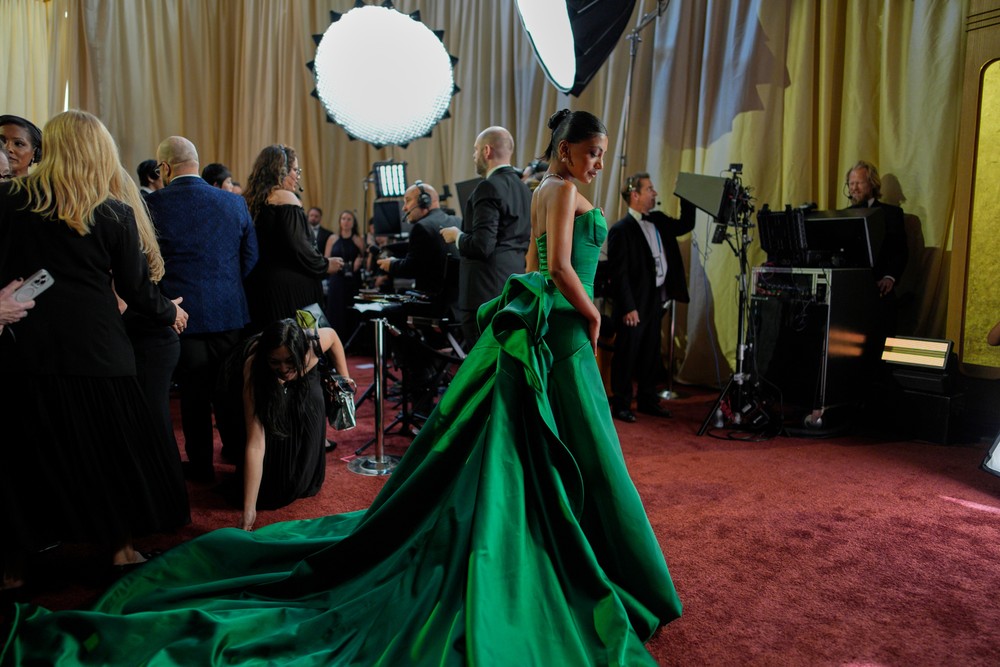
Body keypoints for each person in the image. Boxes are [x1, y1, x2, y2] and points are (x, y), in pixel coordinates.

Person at [1, 109, 680, 665]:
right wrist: (588, 314)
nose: (599, 161)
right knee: (125, 438)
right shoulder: (157, 211)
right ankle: (119, 538)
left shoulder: (34, 206)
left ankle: (33, 551)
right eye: (593, 152)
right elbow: (551, 263)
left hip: (69, 343)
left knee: (92, 436)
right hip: (201, 326)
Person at [0, 110, 190, 591]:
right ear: (99, 151)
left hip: (28, 351)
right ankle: (122, 550)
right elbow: (137, 290)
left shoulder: (8, 200)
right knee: (111, 457)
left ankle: (12, 570)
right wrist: (171, 312)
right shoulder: (114, 212)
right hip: (100, 353)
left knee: (26, 462)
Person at [146, 136, 259, 482]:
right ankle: (241, 462)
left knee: (193, 398)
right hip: (229, 313)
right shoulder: (233, 203)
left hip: (183, 316)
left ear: (164, 168)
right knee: (230, 393)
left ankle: (201, 468)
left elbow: (148, 263)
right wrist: (225, 285)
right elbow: (251, 256)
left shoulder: (152, 205)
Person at [213, 319, 352, 529]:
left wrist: (345, 379)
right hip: (259, 385)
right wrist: (249, 508)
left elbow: (332, 336)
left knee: (311, 403)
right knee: (272, 490)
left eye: (289, 361)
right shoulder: (255, 367)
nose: (284, 369)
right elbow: (256, 442)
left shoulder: (313, 346)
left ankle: (308, 464)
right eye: (275, 362)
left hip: (307, 379)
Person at [608, 173, 696, 423]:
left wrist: (687, 193)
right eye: (650, 189)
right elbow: (619, 273)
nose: (655, 193)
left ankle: (648, 399)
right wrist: (628, 307)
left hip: (656, 299)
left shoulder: (658, 220)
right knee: (627, 353)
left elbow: (685, 225)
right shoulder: (620, 230)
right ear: (634, 195)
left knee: (650, 352)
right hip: (633, 303)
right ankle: (622, 403)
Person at [441, 125, 532, 347]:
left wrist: (457, 236)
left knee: (483, 365)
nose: (474, 156)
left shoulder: (487, 187)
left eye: (475, 150)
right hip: (514, 285)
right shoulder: (524, 189)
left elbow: (482, 245)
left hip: (484, 293)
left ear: (487, 151)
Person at [243, 144, 343, 333]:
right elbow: (298, 246)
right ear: (281, 171)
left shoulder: (253, 199)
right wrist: (324, 265)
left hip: (260, 285)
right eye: (295, 170)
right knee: (304, 347)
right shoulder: (286, 197)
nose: (297, 176)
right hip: (289, 288)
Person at [377, 181, 459, 311]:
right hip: (456, 304)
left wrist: (391, 264)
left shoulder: (421, 227)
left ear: (424, 201)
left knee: (382, 309)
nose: (404, 208)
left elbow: (411, 268)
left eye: (407, 201)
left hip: (432, 304)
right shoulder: (458, 221)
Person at [846, 160, 908, 298]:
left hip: (879, 287)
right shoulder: (843, 215)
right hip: (848, 287)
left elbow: (900, 251)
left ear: (872, 184)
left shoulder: (892, 214)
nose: (854, 188)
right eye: (851, 183)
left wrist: (889, 277)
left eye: (859, 183)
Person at [322, 209, 364, 332]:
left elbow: (364, 259)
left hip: (353, 280)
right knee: (336, 311)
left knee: (351, 311)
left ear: (353, 222)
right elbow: (326, 259)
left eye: (349, 219)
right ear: (340, 221)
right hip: (336, 280)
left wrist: (359, 261)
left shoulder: (358, 239)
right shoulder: (332, 238)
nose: (346, 222)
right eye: (343, 219)